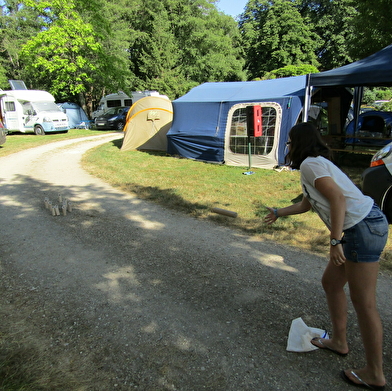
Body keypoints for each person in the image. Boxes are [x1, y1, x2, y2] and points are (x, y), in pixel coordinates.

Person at [264, 122, 388, 390]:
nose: (287, 146)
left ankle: (375, 373)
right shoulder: (314, 165)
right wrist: (278, 212)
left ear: (298, 143)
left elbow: (339, 200)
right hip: (363, 226)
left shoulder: (311, 164)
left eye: (289, 142)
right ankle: (340, 342)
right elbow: (306, 204)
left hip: (361, 228)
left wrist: (335, 241)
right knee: (331, 284)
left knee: (364, 303)